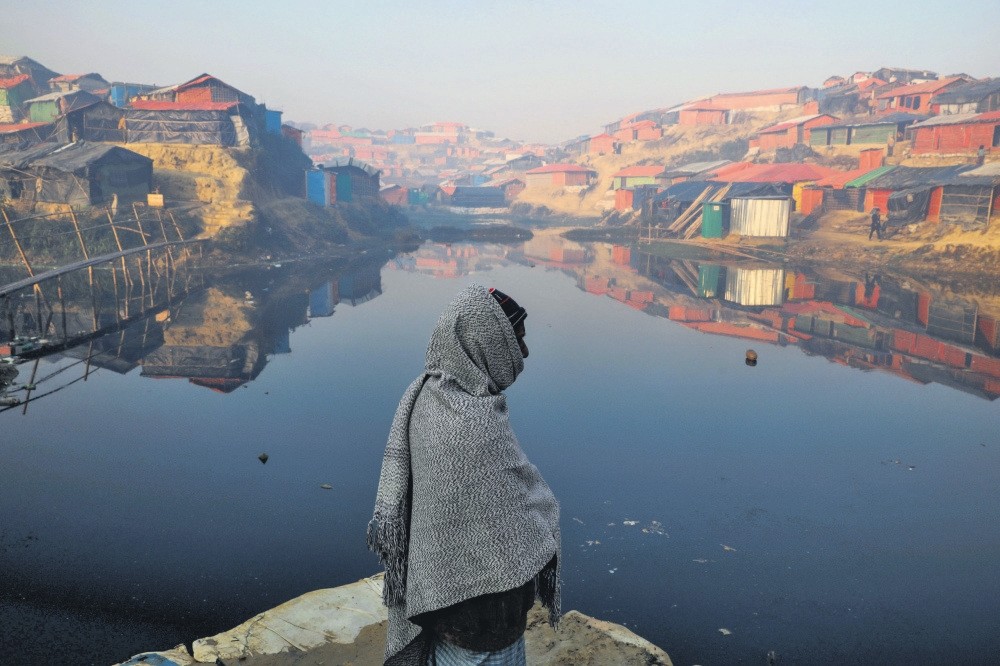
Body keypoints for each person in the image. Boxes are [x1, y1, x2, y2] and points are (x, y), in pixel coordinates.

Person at [368, 284, 561, 666]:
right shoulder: (474, 422)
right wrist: (546, 516)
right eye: (514, 341)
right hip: (484, 618)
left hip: (444, 605)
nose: (523, 354)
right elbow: (513, 519)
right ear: (484, 342)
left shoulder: (426, 396)